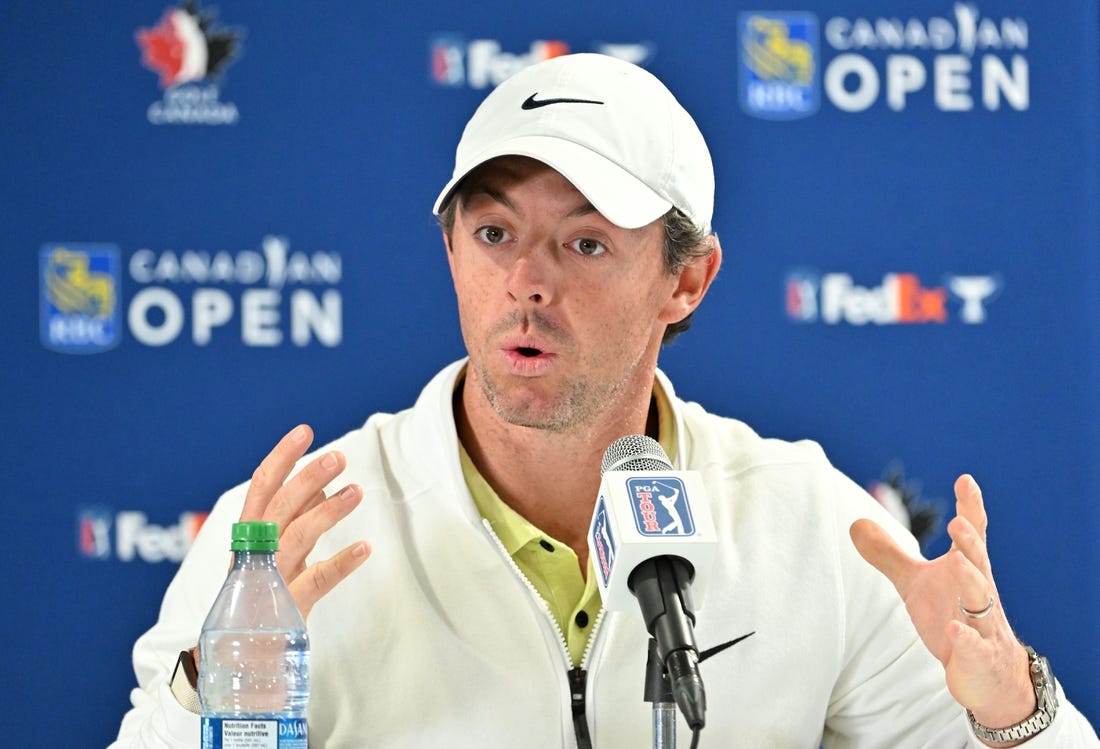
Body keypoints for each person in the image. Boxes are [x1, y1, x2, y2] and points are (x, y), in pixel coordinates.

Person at [110, 53, 1098, 748]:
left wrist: (1010, 706)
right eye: (493, 234)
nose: (527, 281)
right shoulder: (287, 540)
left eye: (584, 243)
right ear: (449, 251)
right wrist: (210, 693)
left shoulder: (809, 521)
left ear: (686, 281)